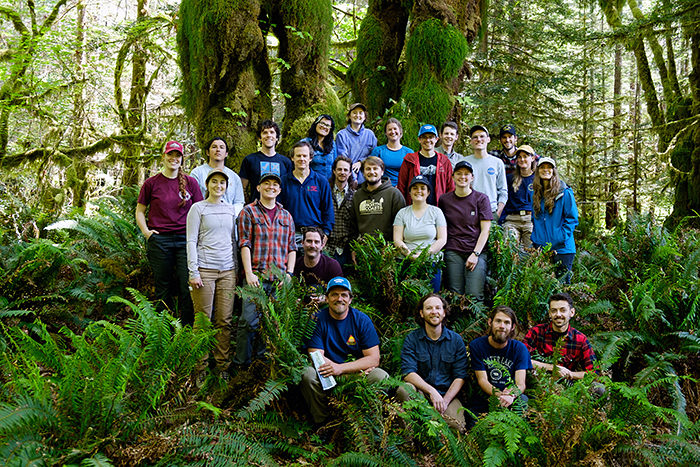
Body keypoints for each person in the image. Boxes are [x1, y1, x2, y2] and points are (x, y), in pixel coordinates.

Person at [301, 276, 389, 424]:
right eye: (334, 294)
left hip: (355, 374)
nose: (339, 298)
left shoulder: (362, 320)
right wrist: (334, 370)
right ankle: (322, 423)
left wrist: (341, 369)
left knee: (382, 377)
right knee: (307, 374)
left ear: (350, 299)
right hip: (326, 373)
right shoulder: (316, 319)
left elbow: (374, 359)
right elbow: (315, 355)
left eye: (344, 295)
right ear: (327, 298)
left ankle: (362, 424)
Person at [136, 140, 203, 325]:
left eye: (177, 155)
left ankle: (187, 332)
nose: (174, 158)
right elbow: (140, 211)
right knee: (162, 287)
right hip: (160, 241)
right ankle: (162, 332)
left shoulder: (191, 183)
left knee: (186, 286)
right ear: (163, 156)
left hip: (185, 241)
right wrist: (147, 233)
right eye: (170, 155)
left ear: (182, 159)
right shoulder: (151, 183)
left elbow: (201, 210)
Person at [235, 172, 297, 365]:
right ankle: (241, 363)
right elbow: (244, 244)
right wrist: (249, 273)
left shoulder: (286, 216)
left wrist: (289, 274)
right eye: (266, 183)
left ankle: (263, 363)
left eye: (274, 185)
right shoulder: (248, 212)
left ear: (279, 190)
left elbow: (292, 247)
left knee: (272, 323)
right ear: (258, 187)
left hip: (278, 280)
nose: (271, 187)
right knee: (248, 322)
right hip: (256, 277)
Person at [186, 169, 238, 378]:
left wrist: (235, 269)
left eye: (222, 183)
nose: (218, 186)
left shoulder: (231, 210)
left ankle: (222, 366)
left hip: (227, 271)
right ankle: (200, 368)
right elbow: (190, 240)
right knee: (202, 321)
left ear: (227, 187)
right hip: (204, 271)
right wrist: (193, 271)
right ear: (207, 185)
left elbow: (233, 241)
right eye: (214, 182)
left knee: (224, 321)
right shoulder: (198, 209)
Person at [397, 294, 468, 431]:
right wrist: (431, 391)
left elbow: (460, 376)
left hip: (447, 395)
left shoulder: (456, 340)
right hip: (421, 393)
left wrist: (444, 402)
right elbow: (408, 372)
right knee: (404, 389)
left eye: (438, 308)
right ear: (421, 313)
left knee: (456, 427)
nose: (434, 311)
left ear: (444, 312)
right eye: (429, 308)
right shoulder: (412, 339)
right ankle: (409, 439)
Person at [438, 161, 492, 301]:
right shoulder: (444, 200)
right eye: (459, 174)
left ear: (472, 177)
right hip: (453, 250)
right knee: (455, 295)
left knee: (474, 295)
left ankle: (475, 323)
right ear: (453, 177)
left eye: (466, 174)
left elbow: (485, 230)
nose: (463, 177)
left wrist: (475, 254)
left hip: (476, 250)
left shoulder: (481, 199)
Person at [468, 306, 532, 421]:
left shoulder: (519, 348)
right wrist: (499, 395)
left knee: (523, 400)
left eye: (507, 322)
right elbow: (482, 380)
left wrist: (511, 395)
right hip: (485, 397)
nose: (502, 326)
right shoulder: (477, 346)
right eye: (498, 321)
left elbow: (520, 384)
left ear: (512, 327)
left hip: (511, 398)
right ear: (490, 322)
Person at [523, 293, 597, 380]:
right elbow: (520, 358)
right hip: (538, 383)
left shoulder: (580, 339)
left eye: (563, 310)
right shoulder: (536, 332)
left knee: (599, 389)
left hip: (568, 386)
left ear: (572, 312)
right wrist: (552, 368)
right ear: (549, 313)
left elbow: (594, 373)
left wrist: (570, 375)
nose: (558, 314)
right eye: (554, 310)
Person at [393, 175, 447, 292]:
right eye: (415, 188)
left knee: (431, 297)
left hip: (431, 263)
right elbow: (397, 240)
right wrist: (410, 255)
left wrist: (424, 255)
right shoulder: (402, 213)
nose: (419, 191)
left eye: (423, 188)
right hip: (406, 261)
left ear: (428, 192)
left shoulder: (436, 212)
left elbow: (442, 239)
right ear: (410, 192)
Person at [531, 156, 579, 283]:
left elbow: (572, 218)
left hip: (563, 248)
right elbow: (534, 220)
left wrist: (560, 238)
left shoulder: (565, 192)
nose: (545, 170)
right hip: (542, 249)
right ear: (538, 171)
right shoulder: (535, 194)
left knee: (561, 287)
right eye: (542, 167)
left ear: (554, 171)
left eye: (549, 167)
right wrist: (535, 240)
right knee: (544, 286)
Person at [280, 140, 334, 246]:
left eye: (305, 156)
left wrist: (326, 232)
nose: (302, 159)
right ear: (292, 158)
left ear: (310, 158)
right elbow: (277, 210)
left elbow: (328, 209)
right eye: (298, 156)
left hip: (314, 235)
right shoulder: (283, 181)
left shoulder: (321, 181)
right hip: (289, 234)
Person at [348, 156, 406, 250]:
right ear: (363, 173)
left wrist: (393, 248)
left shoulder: (394, 194)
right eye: (368, 169)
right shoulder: (357, 195)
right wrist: (354, 248)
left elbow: (402, 225)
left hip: (388, 251)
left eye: (375, 168)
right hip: (363, 250)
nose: (371, 172)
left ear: (382, 171)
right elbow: (353, 226)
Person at [397, 124, 454, 205]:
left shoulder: (444, 161)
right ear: (419, 139)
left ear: (436, 139)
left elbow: (450, 187)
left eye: (431, 137)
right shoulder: (409, 160)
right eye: (424, 137)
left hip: (438, 207)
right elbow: (401, 186)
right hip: (414, 207)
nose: (427, 140)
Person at [239, 120, 293, 202]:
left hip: (279, 209)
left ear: (277, 137)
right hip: (256, 209)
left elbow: (289, 188)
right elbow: (242, 189)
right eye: (265, 132)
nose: (268, 135)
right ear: (260, 138)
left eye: (272, 132)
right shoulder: (249, 160)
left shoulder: (286, 162)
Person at [190, 137, 245, 215]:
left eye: (221, 147)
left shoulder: (234, 177)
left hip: (229, 220)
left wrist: (230, 214)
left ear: (226, 153)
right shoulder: (197, 173)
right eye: (214, 147)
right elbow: (191, 200)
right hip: (203, 219)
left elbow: (239, 202)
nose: (218, 150)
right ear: (207, 152)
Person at [464, 125, 507, 218]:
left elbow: (503, 190)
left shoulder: (497, 163)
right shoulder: (464, 162)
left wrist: (498, 211)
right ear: (471, 141)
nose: (479, 139)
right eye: (475, 137)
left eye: (482, 136)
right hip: (468, 212)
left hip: (491, 211)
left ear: (488, 139)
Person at [500, 145, 536, 248]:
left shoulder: (537, 179)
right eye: (519, 157)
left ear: (532, 158)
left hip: (530, 220)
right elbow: (503, 198)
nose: (522, 159)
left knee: (530, 255)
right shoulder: (510, 178)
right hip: (511, 220)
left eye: (525, 156)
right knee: (509, 251)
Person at [293, 227, 343, 301]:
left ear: (322, 245)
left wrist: (326, 299)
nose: (312, 245)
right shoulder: (295, 265)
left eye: (316, 242)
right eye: (309, 241)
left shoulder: (332, 266)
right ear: (302, 243)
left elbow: (341, 293)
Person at [325, 155, 356, 266]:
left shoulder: (355, 195)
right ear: (334, 171)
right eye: (339, 169)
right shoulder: (326, 192)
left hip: (346, 248)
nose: (342, 172)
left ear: (350, 173)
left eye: (345, 170)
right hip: (327, 246)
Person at [335, 103, 377, 184]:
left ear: (364, 117)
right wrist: (353, 178)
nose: (357, 115)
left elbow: (374, 155)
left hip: (367, 179)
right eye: (354, 112)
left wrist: (361, 162)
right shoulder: (342, 135)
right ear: (349, 116)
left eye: (360, 113)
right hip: (348, 179)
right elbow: (343, 158)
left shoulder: (370, 134)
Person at [369, 118, 413, 186]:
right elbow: (371, 170)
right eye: (389, 129)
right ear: (386, 133)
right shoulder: (378, 151)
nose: (392, 132)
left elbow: (412, 175)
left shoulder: (409, 152)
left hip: (403, 189)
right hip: (382, 188)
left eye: (395, 129)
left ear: (400, 131)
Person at [304, 114, 337, 180]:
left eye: (328, 126)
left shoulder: (332, 144)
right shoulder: (305, 143)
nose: (324, 127)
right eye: (322, 123)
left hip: (328, 184)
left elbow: (335, 164)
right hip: (311, 184)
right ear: (316, 124)